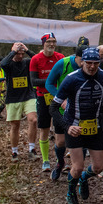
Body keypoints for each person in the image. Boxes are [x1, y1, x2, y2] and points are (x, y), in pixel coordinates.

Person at [53, 47, 103, 204]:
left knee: (98, 167)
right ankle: (71, 191)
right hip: (74, 126)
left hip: (95, 126)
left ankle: (83, 179)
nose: (92, 66)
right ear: (82, 62)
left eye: (96, 63)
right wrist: (67, 127)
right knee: (78, 166)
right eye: (89, 63)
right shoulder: (71, 79)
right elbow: (53, 107)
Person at [44, 36, 90, 181]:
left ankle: (76, 171)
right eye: (83, 61)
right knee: (61, 142)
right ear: (77, 58)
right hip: (62, 110)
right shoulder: (62, 63)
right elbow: (49, 83)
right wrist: (61, 98)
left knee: (80, 140)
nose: (86, 65)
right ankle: (60, 162)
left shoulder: (91, 68)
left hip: (81, 112)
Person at [30, 33, 65, 172]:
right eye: (49, 42)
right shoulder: (35, 59)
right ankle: (45, 160)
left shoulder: (60, 58)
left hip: (58, 97)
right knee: (44, 128)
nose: (51, 44)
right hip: (42, 96)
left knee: (59, 129)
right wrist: (51, 81)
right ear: (43, 43)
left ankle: (59, 160)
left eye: (54, 41)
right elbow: (34, 81)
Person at [0, 42, 38, 160]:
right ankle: (14, 151)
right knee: (15, 125)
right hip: (13, 98)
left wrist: (27, 50)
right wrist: (13, 51)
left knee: (33, 120)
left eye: (22, 54)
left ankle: (32, 149)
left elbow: (37, 59)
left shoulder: (27, 62)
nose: (20, 56)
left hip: (28, 96)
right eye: (18, 53)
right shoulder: (9, 64)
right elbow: (2, 63)